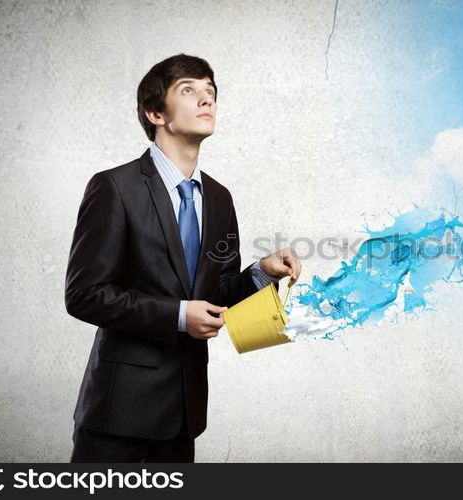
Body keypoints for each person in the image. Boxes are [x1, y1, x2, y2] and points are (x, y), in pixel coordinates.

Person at [65, 53, 301, 462]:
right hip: (117, 414)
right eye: (189, 91)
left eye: (210, 92)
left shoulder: (220, 197)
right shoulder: (114, 188)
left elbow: (219, 291)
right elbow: (85, 294)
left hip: (184, 413)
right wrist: (177, 315)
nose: (206, 99)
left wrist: (261, 273)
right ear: (155, 111)